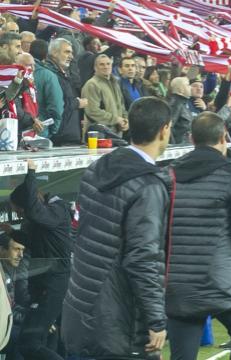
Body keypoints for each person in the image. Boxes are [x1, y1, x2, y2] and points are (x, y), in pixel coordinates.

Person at [62, 97, 172, 359]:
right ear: (164, 129)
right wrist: (156, 320)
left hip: (80, 308)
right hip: (116, 322)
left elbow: (77, 230)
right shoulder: (148, 187)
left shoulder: (96, 168)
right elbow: (143, 258)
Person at [166, 111, 231, 360]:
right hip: (223, 279)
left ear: (192, 138)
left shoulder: (168, 177)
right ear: (224, 137)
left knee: (183, 352)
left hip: (179, 282)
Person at [10, 159, 72, 360]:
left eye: (19, 210)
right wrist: (11, 232)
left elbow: (35, 212)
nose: (19, 215)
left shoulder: (56, 210)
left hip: (52, 285)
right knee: (42, 342)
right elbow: (35, 242)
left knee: (30, 344)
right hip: (43, 284)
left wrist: (31, 172)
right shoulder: (44, 220)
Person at [44, 38, 87, 145]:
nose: (71, 57)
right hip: (60, 137)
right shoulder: (51, 75)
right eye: (67, 52)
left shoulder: (64, 74)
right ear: (54, 52)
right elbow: (57, 105)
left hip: (68, 135)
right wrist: (78, 103)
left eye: (71, 53)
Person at [82, 54, 128, 136]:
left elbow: (121, 106)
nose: (106, 67)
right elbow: (92, 111)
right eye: (101, 64)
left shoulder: (115, 83)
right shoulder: (92, 84)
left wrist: (125, 120)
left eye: (108, 64)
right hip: (98, 136)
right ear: (95, 68)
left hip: (116, 135)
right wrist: (116, 119)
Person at [0, 229, 29, 360]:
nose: (21, 255)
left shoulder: (10, 271)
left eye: (22, 250)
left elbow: (11, 305)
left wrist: (32, 316)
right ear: (2, 250)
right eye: (16, 249)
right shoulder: (2, 275)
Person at [31, 38, 63, 140]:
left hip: (18, 130)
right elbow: (56, 106)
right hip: (41, 131)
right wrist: (53, 129)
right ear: (46, 55)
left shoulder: (17, 71)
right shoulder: (49, 76)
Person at [168, 76, 193, 144]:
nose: (191, 87)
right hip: (178, 147)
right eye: (188, 85)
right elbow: (168, 127)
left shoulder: (182, 103)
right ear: (180, 89)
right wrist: (173, 147)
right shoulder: (176, 104)